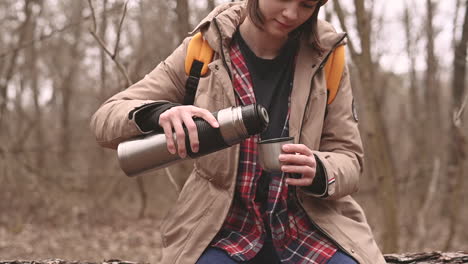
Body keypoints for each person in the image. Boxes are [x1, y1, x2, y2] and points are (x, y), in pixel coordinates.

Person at [91, 0, 387, 263]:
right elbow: (105, 120)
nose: (291, 13)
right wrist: (161, 113)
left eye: (307, 5)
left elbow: (349, 159)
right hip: (220, 229)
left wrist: (320, 170)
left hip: (311, 227)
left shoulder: (327, 57)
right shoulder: (204, 48)